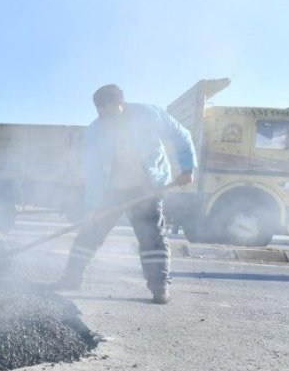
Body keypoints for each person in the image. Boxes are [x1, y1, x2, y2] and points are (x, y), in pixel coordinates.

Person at [54, 84, 196, 304]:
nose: (104, 117)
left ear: (121, 103)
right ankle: (71, 279)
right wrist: (93, 207)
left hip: (148, 186)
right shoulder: (95, 130)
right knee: (90, 232)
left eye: (107, 111)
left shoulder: (148, 114)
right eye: (99, 112)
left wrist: (187, 168)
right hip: (112, 190)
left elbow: (181, 135)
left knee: (151, 237)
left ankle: (159, 287)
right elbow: (93, 172)